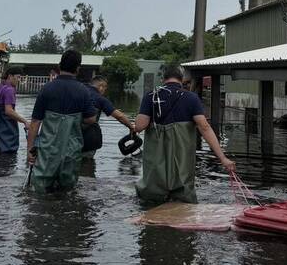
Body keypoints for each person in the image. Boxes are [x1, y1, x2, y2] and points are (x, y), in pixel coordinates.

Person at [134, 63, 234, 204]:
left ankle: (153, 201)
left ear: (163, 78)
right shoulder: (191, 98)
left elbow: (140, 126)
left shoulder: (150, 96)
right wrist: (223, 158)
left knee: (152, 192)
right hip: (182, 155)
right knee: (182, 191)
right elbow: (204, 127)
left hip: (156, 155)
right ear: (182, 79)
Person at [26, 49, 97, 192]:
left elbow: (35, 122)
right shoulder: (83, 91)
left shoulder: (47, 89)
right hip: (71, 150)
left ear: (59, 65)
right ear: (78, 68)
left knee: (40, 191)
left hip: (48, 151)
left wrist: (29, 150)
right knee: (68, 191)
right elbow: (91, 119)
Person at [81, 76, 136, 156]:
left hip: (70, 135)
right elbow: (119, 116)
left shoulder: (79, 90)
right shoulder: (100, 99)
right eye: (105, 88)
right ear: (101, 86)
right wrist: (131, 127)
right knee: (87, 160)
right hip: (88, 138)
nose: (104, 91)